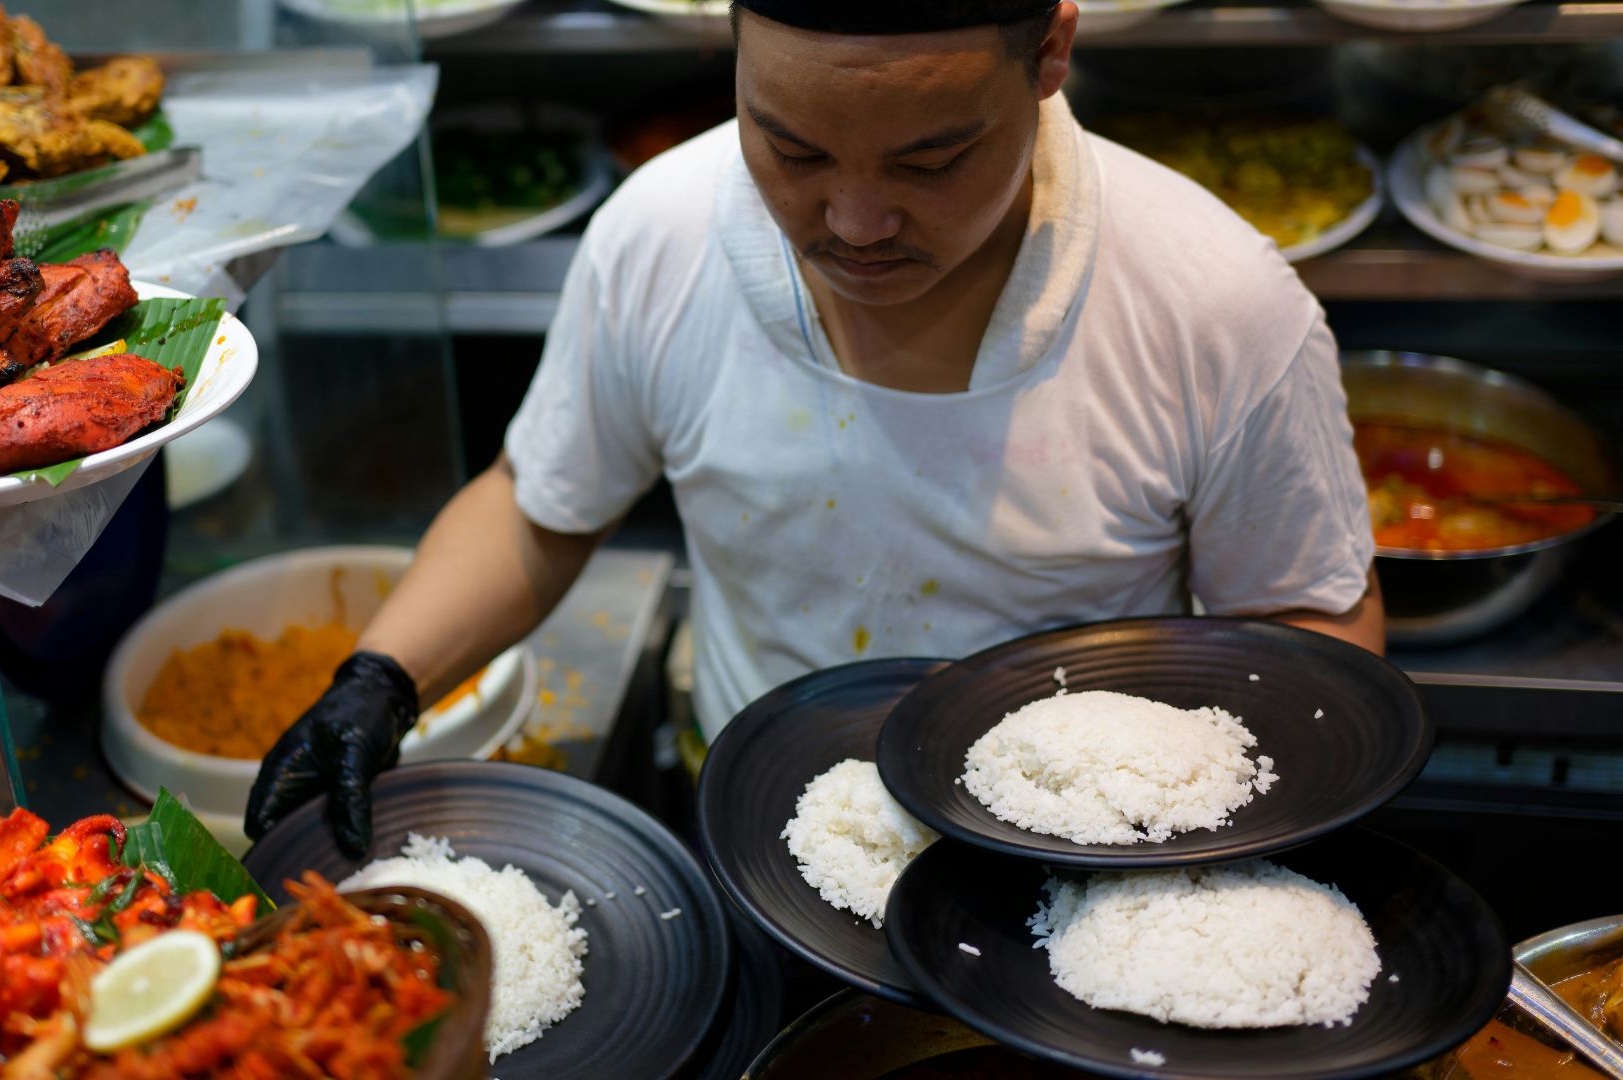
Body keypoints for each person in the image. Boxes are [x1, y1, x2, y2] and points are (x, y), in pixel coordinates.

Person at [247, 0, 1384, 856]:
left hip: (1076, 851)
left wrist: (1196, 846)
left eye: (930, 161)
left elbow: (1307, 621)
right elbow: (542, 504)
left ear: (1049, 54)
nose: (853, 222)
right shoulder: (662, 236)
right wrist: (382, 681)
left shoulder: (1215, 303)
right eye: (790, 150)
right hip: (746, 817)